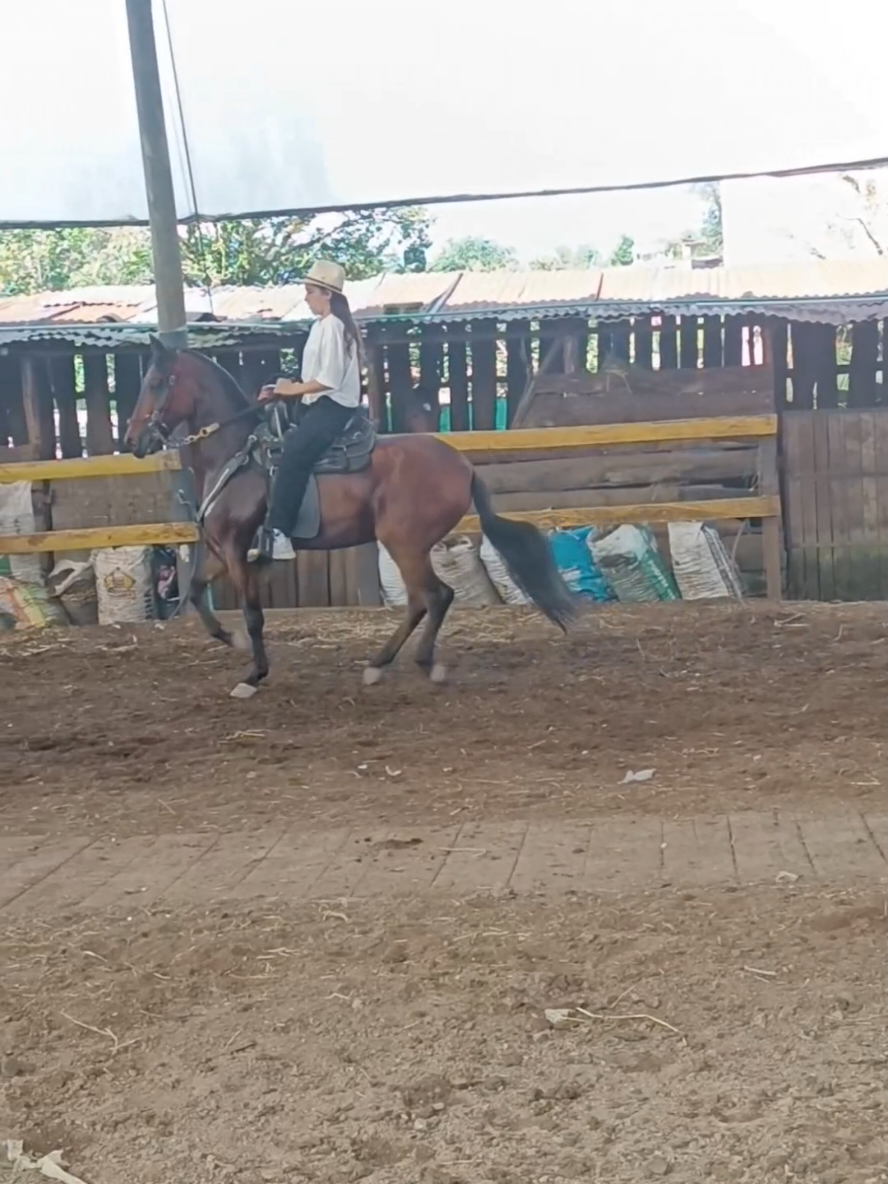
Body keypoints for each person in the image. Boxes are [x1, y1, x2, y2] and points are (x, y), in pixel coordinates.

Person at [249, 260, 362, 562]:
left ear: (327, 293)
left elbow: (329, 380)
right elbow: (313, 377)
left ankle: (282, 532)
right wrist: (279, 389)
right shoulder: (319, 326)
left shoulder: (335, 326)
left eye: (311, 291)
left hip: (335, 408)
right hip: (316, 404)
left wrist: (291, 390)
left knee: (296, 451)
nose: (306, 297)